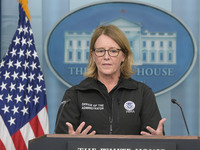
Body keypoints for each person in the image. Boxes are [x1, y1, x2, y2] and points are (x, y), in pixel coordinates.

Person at [55, 24, 166, 136]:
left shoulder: (142, 93)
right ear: (93, 55)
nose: (106, 57)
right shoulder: (74, 95)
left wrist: (159, 141)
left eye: (113, 51)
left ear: (124, 56)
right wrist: (70, 142)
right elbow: (59, 141)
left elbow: (154, 138)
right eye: (100, 51)